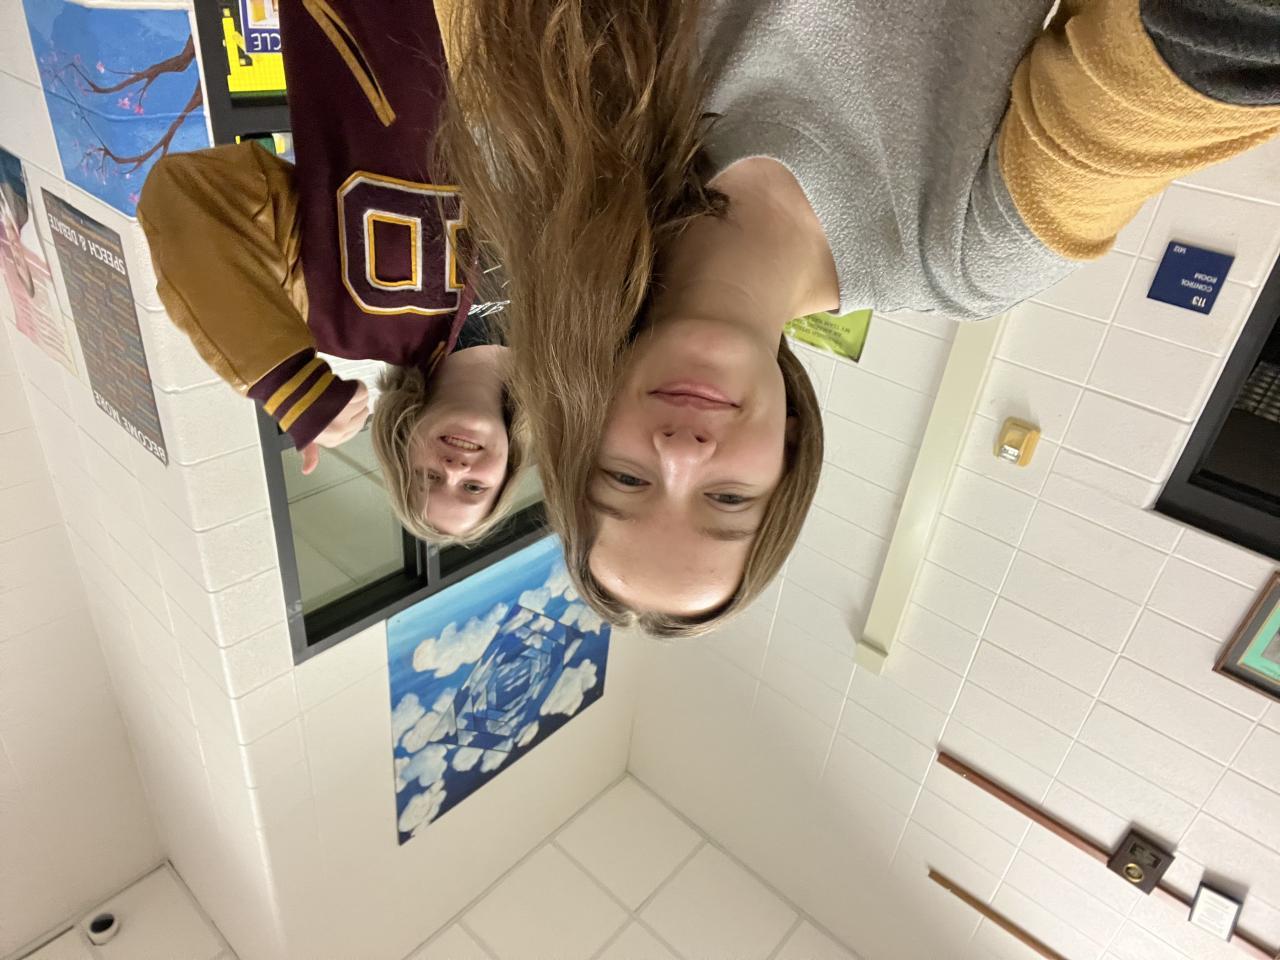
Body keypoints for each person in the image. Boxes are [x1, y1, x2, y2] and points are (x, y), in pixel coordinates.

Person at [436, 0, 1280, 635]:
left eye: (626, 480)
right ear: (788, 454)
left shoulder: (544, 163)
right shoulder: (967, 255)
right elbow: (1153, 97)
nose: (682, 454)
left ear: (584, 429)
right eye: (727, 497)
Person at [138, 0, 524, 544]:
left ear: (402, 446)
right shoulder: (581, 342)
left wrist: (287, 383)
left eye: (428, 478)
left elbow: (185, 195)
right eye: (473, 489)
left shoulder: (343, 315)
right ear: (507, 470)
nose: (456, 470)